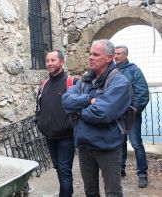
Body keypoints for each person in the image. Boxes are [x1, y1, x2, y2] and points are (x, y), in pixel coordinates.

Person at [62, 39, 132, 197]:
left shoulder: (120, 82)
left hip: (107, 146)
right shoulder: (85, 80)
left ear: (109, 57)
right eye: (90, 54)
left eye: (95, 54)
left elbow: (102, 113)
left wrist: (78, 110)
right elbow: (66, 101)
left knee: (113, 192)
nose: (90, 57)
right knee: (90, 192)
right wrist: (88, 101)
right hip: (84, 146)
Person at [35, 49, 77, 197]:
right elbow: (39, 107)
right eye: (47, 61)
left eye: (53, 60)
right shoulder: (44, 84)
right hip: (50, 136)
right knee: (59, 168)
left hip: (66, 137)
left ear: (62, 62)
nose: (49, 63)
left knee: (64, 170)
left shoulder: (72, 82)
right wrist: (39, 122)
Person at [114, 45, 150, 187]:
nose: (116, 56)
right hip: (116, 116)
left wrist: (134, 111)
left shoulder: (134, 70)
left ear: (126, 55)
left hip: (132, 116)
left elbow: (143, 93)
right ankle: (121, 169)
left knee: (136, 144)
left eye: (119, 53)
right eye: (115, 53)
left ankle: (142, 174)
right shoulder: (112, 71)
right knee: (119, 143)